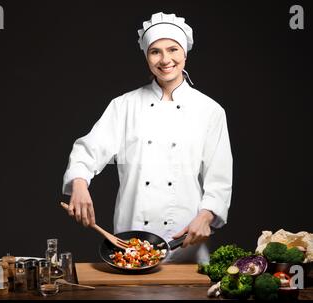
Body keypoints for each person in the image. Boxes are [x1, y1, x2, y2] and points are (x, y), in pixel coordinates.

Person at [62, 12, 232, 263]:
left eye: (173, 49)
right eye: (155, 51)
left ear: (185, 53)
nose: (165, 59)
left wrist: (207, 215)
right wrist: (78, 183)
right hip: (130, 244)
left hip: (185, 243)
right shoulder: (124, 106)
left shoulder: (210, 111)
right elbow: (89, 150)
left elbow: (219, 178)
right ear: (146, 57)